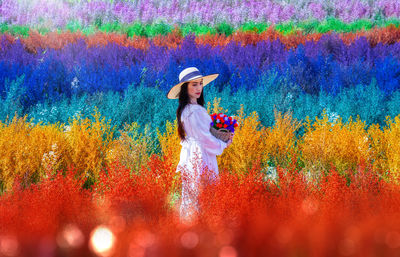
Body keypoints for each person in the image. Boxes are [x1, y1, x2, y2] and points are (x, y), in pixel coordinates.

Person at [167, 67, 234, 224]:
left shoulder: (186, 109)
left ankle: (192, 226)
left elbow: (201, 134)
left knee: (193, 191)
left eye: (200, 84)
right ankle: (202, 227)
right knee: (203, 191)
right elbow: (205, 138)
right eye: (194, 85)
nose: (198, 88)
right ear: (185, 88)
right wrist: (223, 143)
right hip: (201, 155)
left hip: (193, 155)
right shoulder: (195, 111)